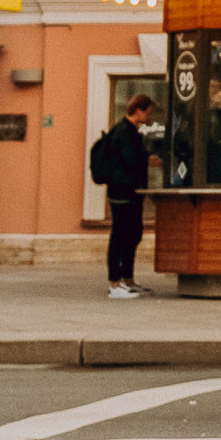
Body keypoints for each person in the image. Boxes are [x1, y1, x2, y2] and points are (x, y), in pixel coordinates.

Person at [97, 94, 157, 296]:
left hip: (130, 191)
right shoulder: (123, 131)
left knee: (132, 234)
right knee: (120, 236)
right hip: (122, 191)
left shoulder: (129, 130)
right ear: (138, 110)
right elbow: (130, 160)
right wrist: (148, 158)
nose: (149, 117)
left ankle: (127, 279)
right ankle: (115, 283)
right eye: (148, 113)